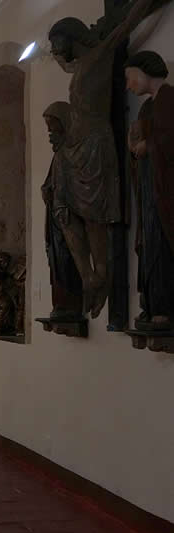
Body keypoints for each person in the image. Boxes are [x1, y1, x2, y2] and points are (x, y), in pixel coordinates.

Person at [46, 0, 161, 317]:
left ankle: (102, 275)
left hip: (96, 143)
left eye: (57, 41)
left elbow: (125, 24)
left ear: (70, 37)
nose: (55, 50)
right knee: (63, 211)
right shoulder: (80, 66)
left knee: (94, 215)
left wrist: (142, 5)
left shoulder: (100, 53)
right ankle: (89, 276)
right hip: (75, 145)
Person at [125, 50, 174, 330]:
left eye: (131, 77)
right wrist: (136, 148)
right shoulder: (146, 109)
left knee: (162, 244)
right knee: (148, 245)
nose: (129, 84)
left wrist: (150, 146)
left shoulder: (170, 98)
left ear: (145, 71)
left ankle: (165, 307)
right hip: (148, 188)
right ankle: (152, 302)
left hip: (165, 190)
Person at [42, 102, 85, 319]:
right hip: (56, 217)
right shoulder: (58, 155)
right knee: (56, 260)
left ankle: (72, 302)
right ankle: (60, 303)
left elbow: (80, 184)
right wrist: (46, 191)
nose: (50, 134)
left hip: (69, 217)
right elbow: (48, 182)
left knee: (68, 259)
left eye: (53, 129)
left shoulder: (73, 153)